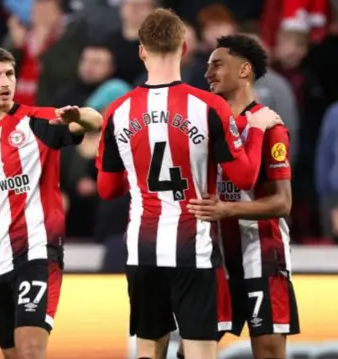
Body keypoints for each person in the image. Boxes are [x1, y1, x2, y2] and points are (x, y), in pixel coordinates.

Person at [95, 9, 283, 359]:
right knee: (199, 350)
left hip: (142, 248)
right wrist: (255, 129)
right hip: (192, 249)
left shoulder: (117, 111)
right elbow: (244, 177)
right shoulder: (209, 106)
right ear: (184, 49)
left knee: (150, 347)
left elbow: (107, 190)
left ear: (141, 51)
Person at [0, 46, 102, 359]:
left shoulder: (38, 122)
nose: (5, 82)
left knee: (30, 350)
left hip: (38, 252)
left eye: (10, 74)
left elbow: (95, 121)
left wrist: (79, 115)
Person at [182, 34, 299, 359]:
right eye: (207, 66)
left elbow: (282, 202)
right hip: (213, 253)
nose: (208, 74)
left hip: (260, 251)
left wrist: (226, 209)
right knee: (192, 349)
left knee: (268, 351)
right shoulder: (204, 126)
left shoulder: (270, 126)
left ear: (245, 69)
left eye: (217, 65)